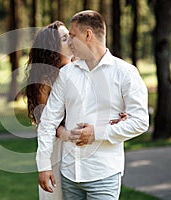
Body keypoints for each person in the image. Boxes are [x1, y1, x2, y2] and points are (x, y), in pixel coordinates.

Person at [36, 10, 149, 200]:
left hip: (103, 173)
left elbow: (140, 122)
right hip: (69, 175)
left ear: (88, 35)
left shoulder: (126, 73)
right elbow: (47, 122)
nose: (69, 41)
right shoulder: (66, 75)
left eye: (72, 35)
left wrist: (97, 133)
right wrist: (44, 166)